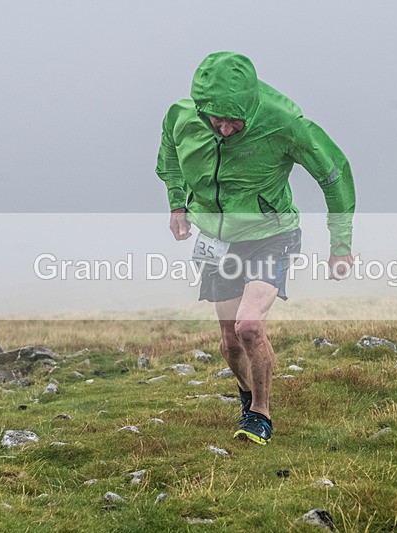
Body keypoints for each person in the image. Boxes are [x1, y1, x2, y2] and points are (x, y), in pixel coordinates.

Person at [156, 52, 355, 444]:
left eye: (236, 121)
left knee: (249, 326)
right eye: (217, 120)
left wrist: (341, 244)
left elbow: (335, 173)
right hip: (217, 239)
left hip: (271, 235)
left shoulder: (284, 123)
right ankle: (247, 396)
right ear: (201, 108)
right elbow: (169, 156)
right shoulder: (180, 116)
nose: (226, 130)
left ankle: (261, 414)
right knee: (230, 341)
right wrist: (178, 202)